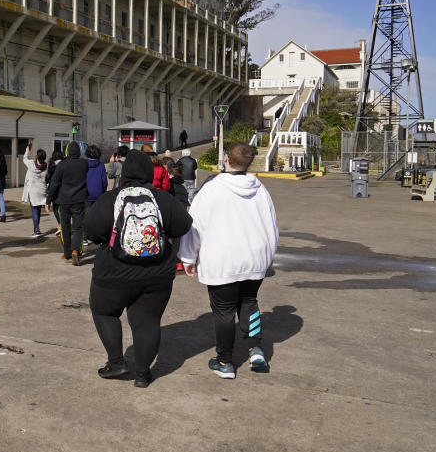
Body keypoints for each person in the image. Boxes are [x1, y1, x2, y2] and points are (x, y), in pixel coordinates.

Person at [84, 151, 192, 388]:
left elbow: (90, 230)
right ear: (148, 172)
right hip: (156, 274)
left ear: (124, 173)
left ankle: (116, 362)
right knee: (147, 322)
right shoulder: (162, 198)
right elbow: (184, 224)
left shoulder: (111, 198)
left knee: (104, 312)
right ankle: (143, 374)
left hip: (113, 273)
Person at [178, 142, 279, 380]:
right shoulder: (260, 189)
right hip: (255, 257)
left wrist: (188, 257)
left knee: (223, 311)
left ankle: (225, 361)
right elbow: (272, 225)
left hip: (223, 258)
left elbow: (194, 226)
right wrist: (269, 254)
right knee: (249, 302)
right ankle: (255, 350)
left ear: (225, 159)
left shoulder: (212, 190)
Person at [46, 141, 88, 265]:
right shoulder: (84, 164)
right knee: (78, 227)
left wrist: (48, 200)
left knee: (65, 227)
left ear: (67, 151)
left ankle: (67, 254)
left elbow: (54, 184)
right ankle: (76, 250)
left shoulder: (62, 165)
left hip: (63, 200)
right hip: (79, 200)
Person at [21, 145, 49, 237]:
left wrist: (27, 150)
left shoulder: (31, 163)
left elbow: (24, 159)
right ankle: (37, 228)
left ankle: (36, 230)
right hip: (42, 190)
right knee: (38, 210)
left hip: (33, 190)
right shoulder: (46, 166)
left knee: (34, 210)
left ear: (37, 156)